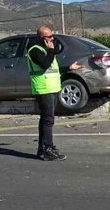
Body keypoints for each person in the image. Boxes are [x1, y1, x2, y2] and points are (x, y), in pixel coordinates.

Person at [28, 26, 82, 160]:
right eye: (49, 37)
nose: (52, 39)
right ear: (42, 38)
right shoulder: (35, 50)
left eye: (52, 36)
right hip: (43, 89)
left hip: (52, 88)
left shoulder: (46, 51)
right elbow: (45, 65)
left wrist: (69, 68)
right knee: (48, 120)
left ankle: (42, 149)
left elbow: (52, 69)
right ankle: (48, 149)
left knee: (46, 120)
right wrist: (51, 50)